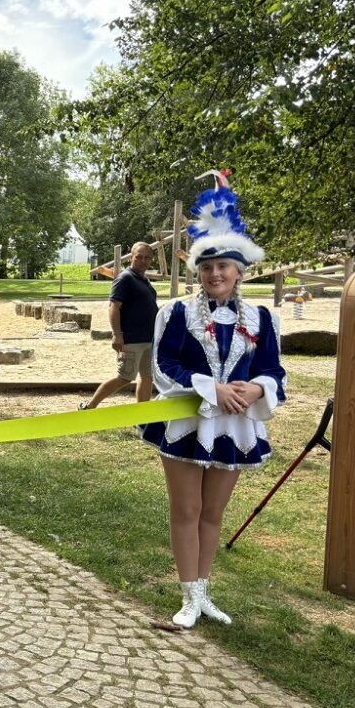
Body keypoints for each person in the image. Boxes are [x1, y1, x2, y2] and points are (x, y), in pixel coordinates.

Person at [140, 172, 285, 629]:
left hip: (235, 426)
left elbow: (274, 370)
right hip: (187, 420)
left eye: (224, 265)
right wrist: (212, 388)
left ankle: (204, 592)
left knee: (213, 513)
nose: (215, 273)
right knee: (185, 510)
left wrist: (257, 388)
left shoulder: (263, 317)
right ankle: (187, 598)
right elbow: (163, 368)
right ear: (198, 271)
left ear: (240, 270)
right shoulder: (176, 313)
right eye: (207, 266)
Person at [80, 242, 158, 410]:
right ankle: (90, 406)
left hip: (148, 339)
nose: (143, 261)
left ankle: (142, 416)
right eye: (139, 257)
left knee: (147, 377)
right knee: (124, 377)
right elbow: (114, 306)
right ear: (131, 258)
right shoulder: (125, 278)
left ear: (151, 259)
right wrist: (117, 334)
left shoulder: (144, 280)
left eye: (147, 257)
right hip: (131, 339)